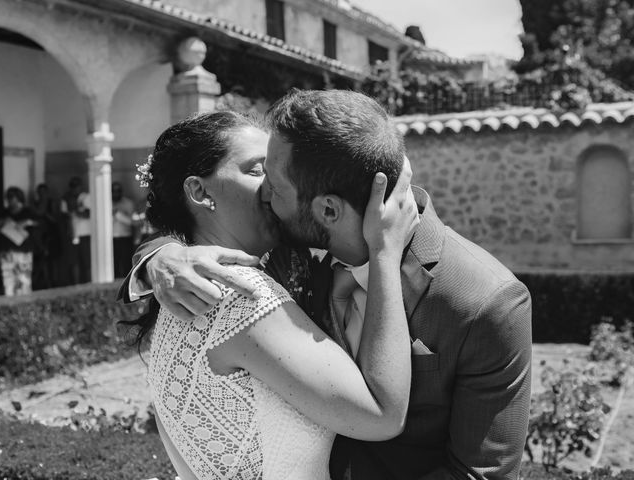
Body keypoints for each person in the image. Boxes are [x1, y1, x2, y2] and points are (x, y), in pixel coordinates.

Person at [120, 90, 533, 480]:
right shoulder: (283, 256)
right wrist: (159, 254)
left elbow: (478, 475)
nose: (266, 191)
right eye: (257, 171)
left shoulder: (486, 301)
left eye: (274, 180)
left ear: (328, 210)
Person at [124, 111, 418, 479]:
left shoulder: (188, 290)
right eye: (256, 169)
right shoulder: (241, 296)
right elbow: (383, 415)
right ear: (199, 191)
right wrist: (385, 252)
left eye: (277, 168)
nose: (275, 183)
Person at [0, 187, 37, 296]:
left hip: (23, 251)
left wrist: (26, 222)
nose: (9, 200)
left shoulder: (27, 211)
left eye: (11, 197)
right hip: (6, 251)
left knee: (24, 280)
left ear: (18, 198)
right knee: (9, 281)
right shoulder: (4, 213)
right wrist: (2, 222)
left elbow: (38, 222)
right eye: (7, 197)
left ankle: (24, 305)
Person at [61, 177, 91, 284]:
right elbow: (64, 215)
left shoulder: (86, 197)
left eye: (76, 186)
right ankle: (76, 285)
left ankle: (89, 283)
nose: (75, 189)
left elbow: (88, 214)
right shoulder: (66, 198)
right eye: (73, 187)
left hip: (85, 233)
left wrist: (75, 212)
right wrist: (75, 212)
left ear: (80, 186)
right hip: (72, 233)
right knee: (74, 262)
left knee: (87, 261)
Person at [111, 181, 135, 279]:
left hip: (125, 237)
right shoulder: (106, 203)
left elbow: (132, 221)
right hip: (112, 238)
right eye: (113, 191)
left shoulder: (128, 203)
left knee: (126, 264)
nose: (116, 193)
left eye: (118, 191)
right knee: (113, 264)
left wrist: (118, 214)